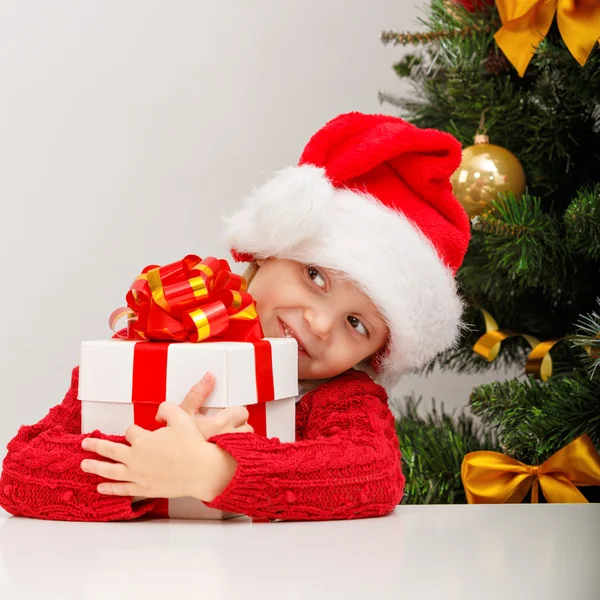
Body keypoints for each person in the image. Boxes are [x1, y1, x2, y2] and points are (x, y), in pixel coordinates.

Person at [0, 112, 470, 522]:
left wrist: (216, 472)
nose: (321, 324)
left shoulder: (339, 400)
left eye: (357, 324)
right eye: (315, 276)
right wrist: (150, 469)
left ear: (376, 353)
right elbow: (21, 471)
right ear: (267, 253)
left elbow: (375, 472)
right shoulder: (154, 348)